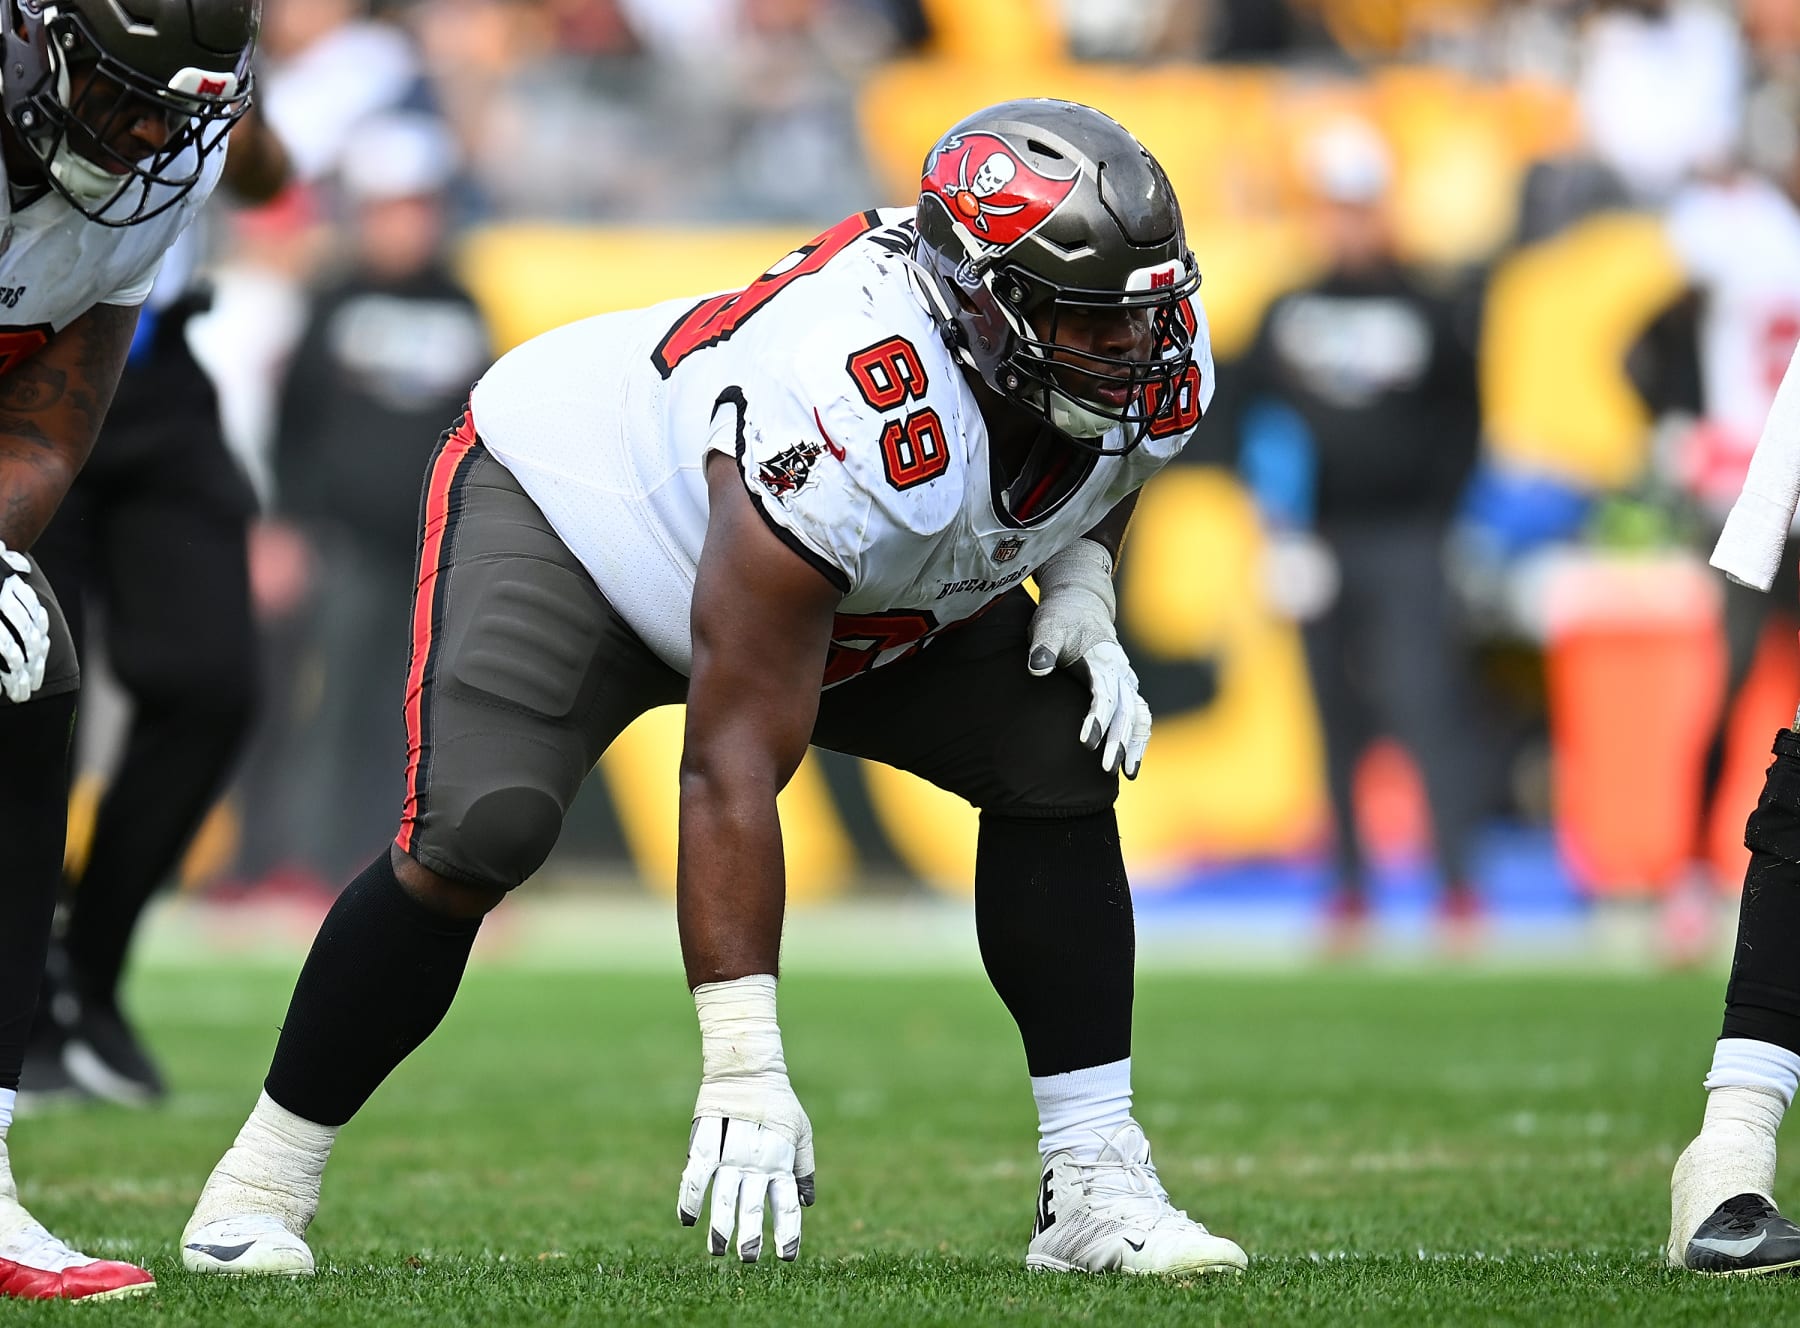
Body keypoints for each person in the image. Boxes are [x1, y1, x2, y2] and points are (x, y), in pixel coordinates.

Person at [177, 98, 1250, 1278]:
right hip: (586, 520)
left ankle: (1092, 1180)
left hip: (837, 577)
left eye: (1139, 315)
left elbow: (1113, 459)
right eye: (1088, 320)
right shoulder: (853, 402)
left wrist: (1085, 586)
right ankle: (262, 1175)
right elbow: (732, 759)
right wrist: (744, 1064)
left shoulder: (1148, 347)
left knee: (1055, 752)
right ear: (980, 306)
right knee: (480, 831)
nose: (1131, 348)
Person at [0, 0, 259, 1299]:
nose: (152, 135)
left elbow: (47, 428)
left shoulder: (171, 158)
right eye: (125, 95)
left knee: (24, 674)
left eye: (179, 109)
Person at [20, 104, 289, 1109]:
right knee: (34, 691)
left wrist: (222, 115)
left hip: (157, 374)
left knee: (212, 681)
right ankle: (31, 998)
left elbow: (266, 179)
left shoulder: (206, 41)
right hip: (26, 378)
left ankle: (89, 965)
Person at [1234, 117, 1482, 953]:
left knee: (1425, 706)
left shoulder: (1430, 304)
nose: (1348, 222)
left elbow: (1463, 419)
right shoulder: (1287, 308)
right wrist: (1276, 531)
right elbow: (1246, 419)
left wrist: (1440, 520)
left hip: (1407, 537)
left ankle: (1455, 883)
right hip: (1318, 541)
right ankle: (1348, 884)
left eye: (1360, 204)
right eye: (1335, 205)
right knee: (1330, 714)